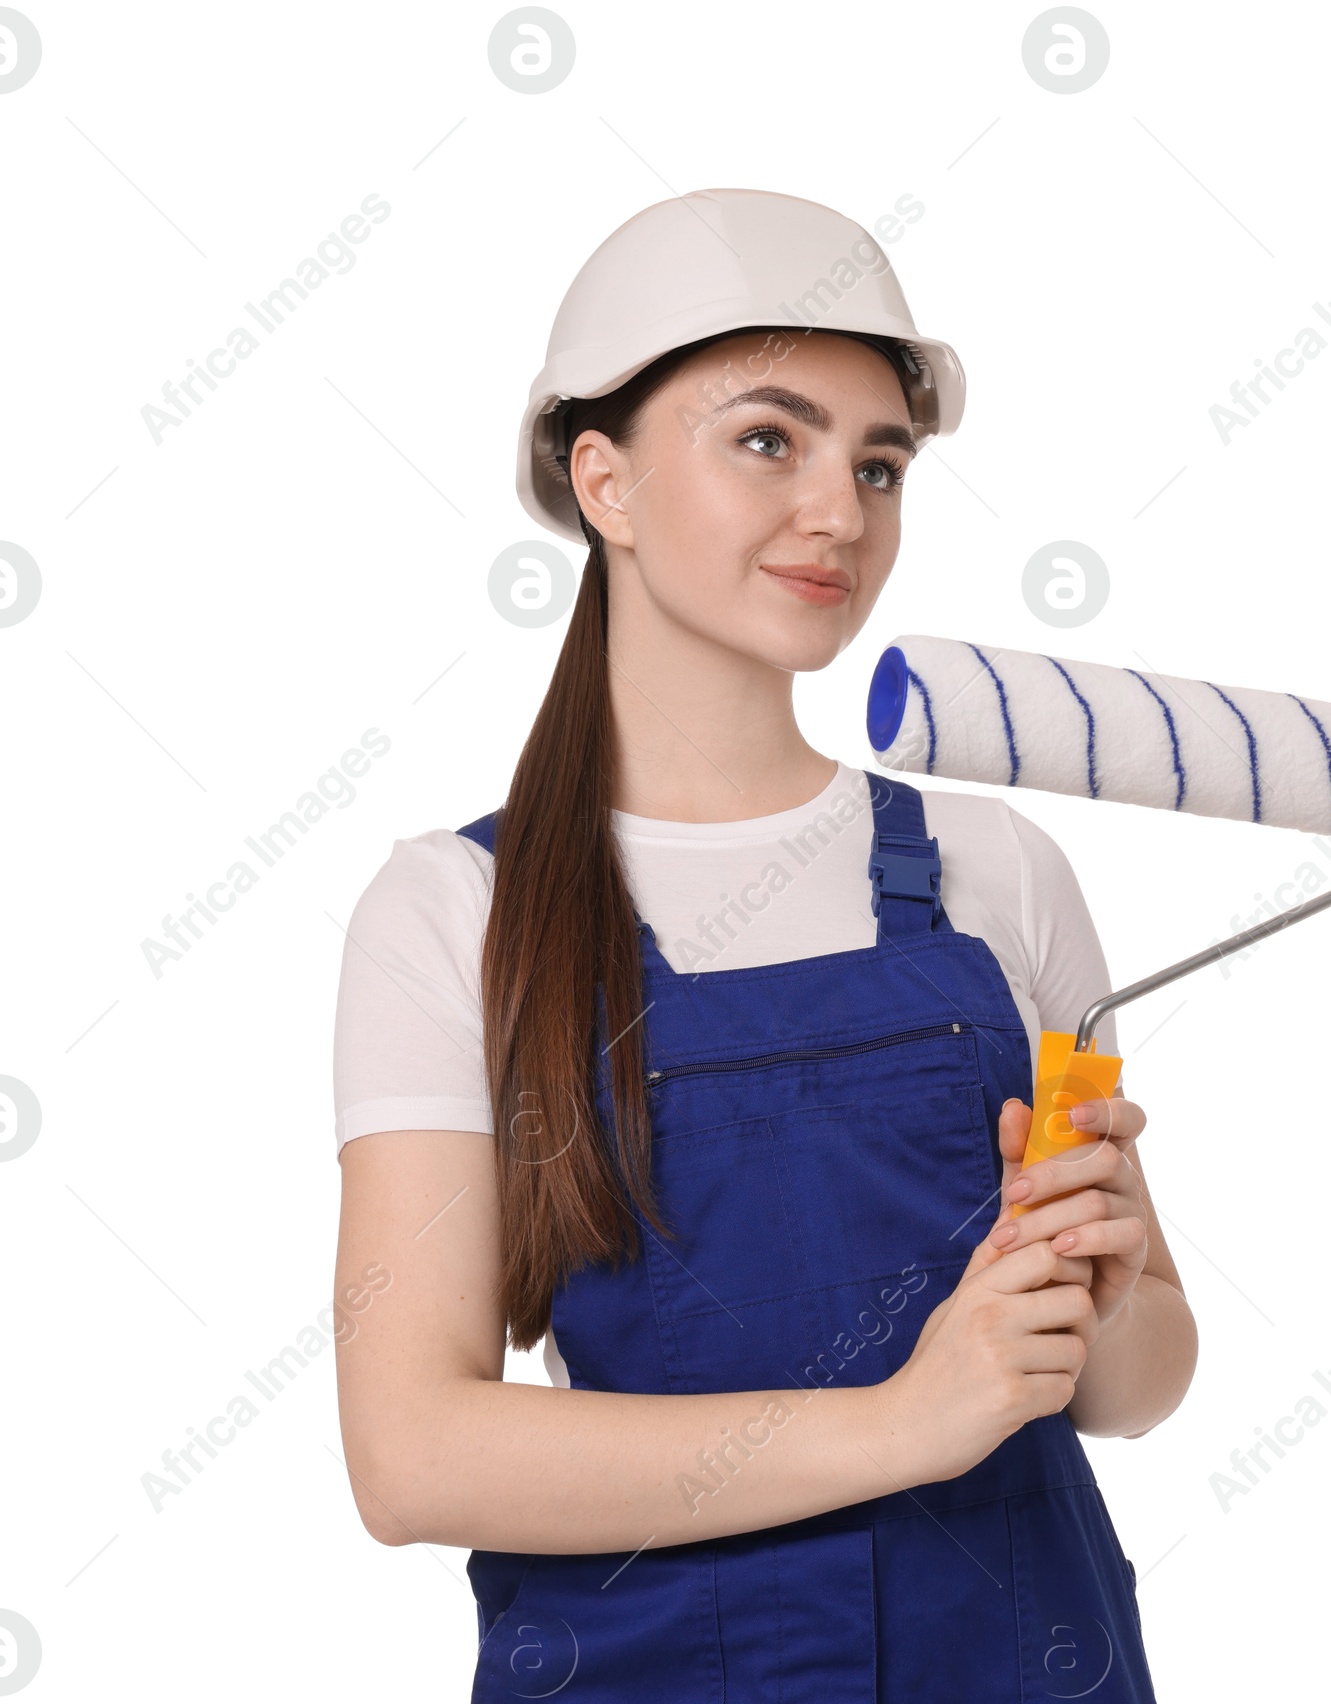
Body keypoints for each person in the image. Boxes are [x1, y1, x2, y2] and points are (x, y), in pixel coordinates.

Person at [331, 187, 1197, 1703]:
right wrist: (904, 1421)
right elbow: (413, 1453)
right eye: (767, 441)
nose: (841, 514)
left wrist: (1107, 1293)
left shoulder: (999, 870)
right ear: (600, 479)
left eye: (879, 464)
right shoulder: (451, 913)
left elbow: (1141, 1382)